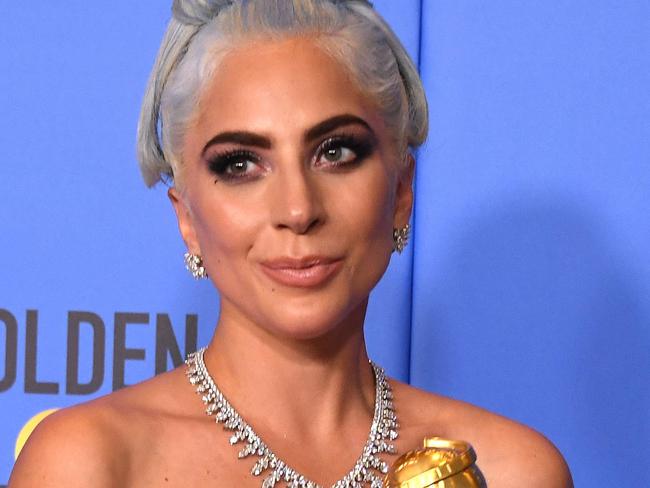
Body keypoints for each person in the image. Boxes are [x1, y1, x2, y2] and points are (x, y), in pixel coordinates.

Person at [9, 1, 572, 486]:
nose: (298, 210)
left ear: (401, 190)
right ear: (187, 219)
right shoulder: (92, 462)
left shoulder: (507, 470)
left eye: (336, 152)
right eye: (241, 164)